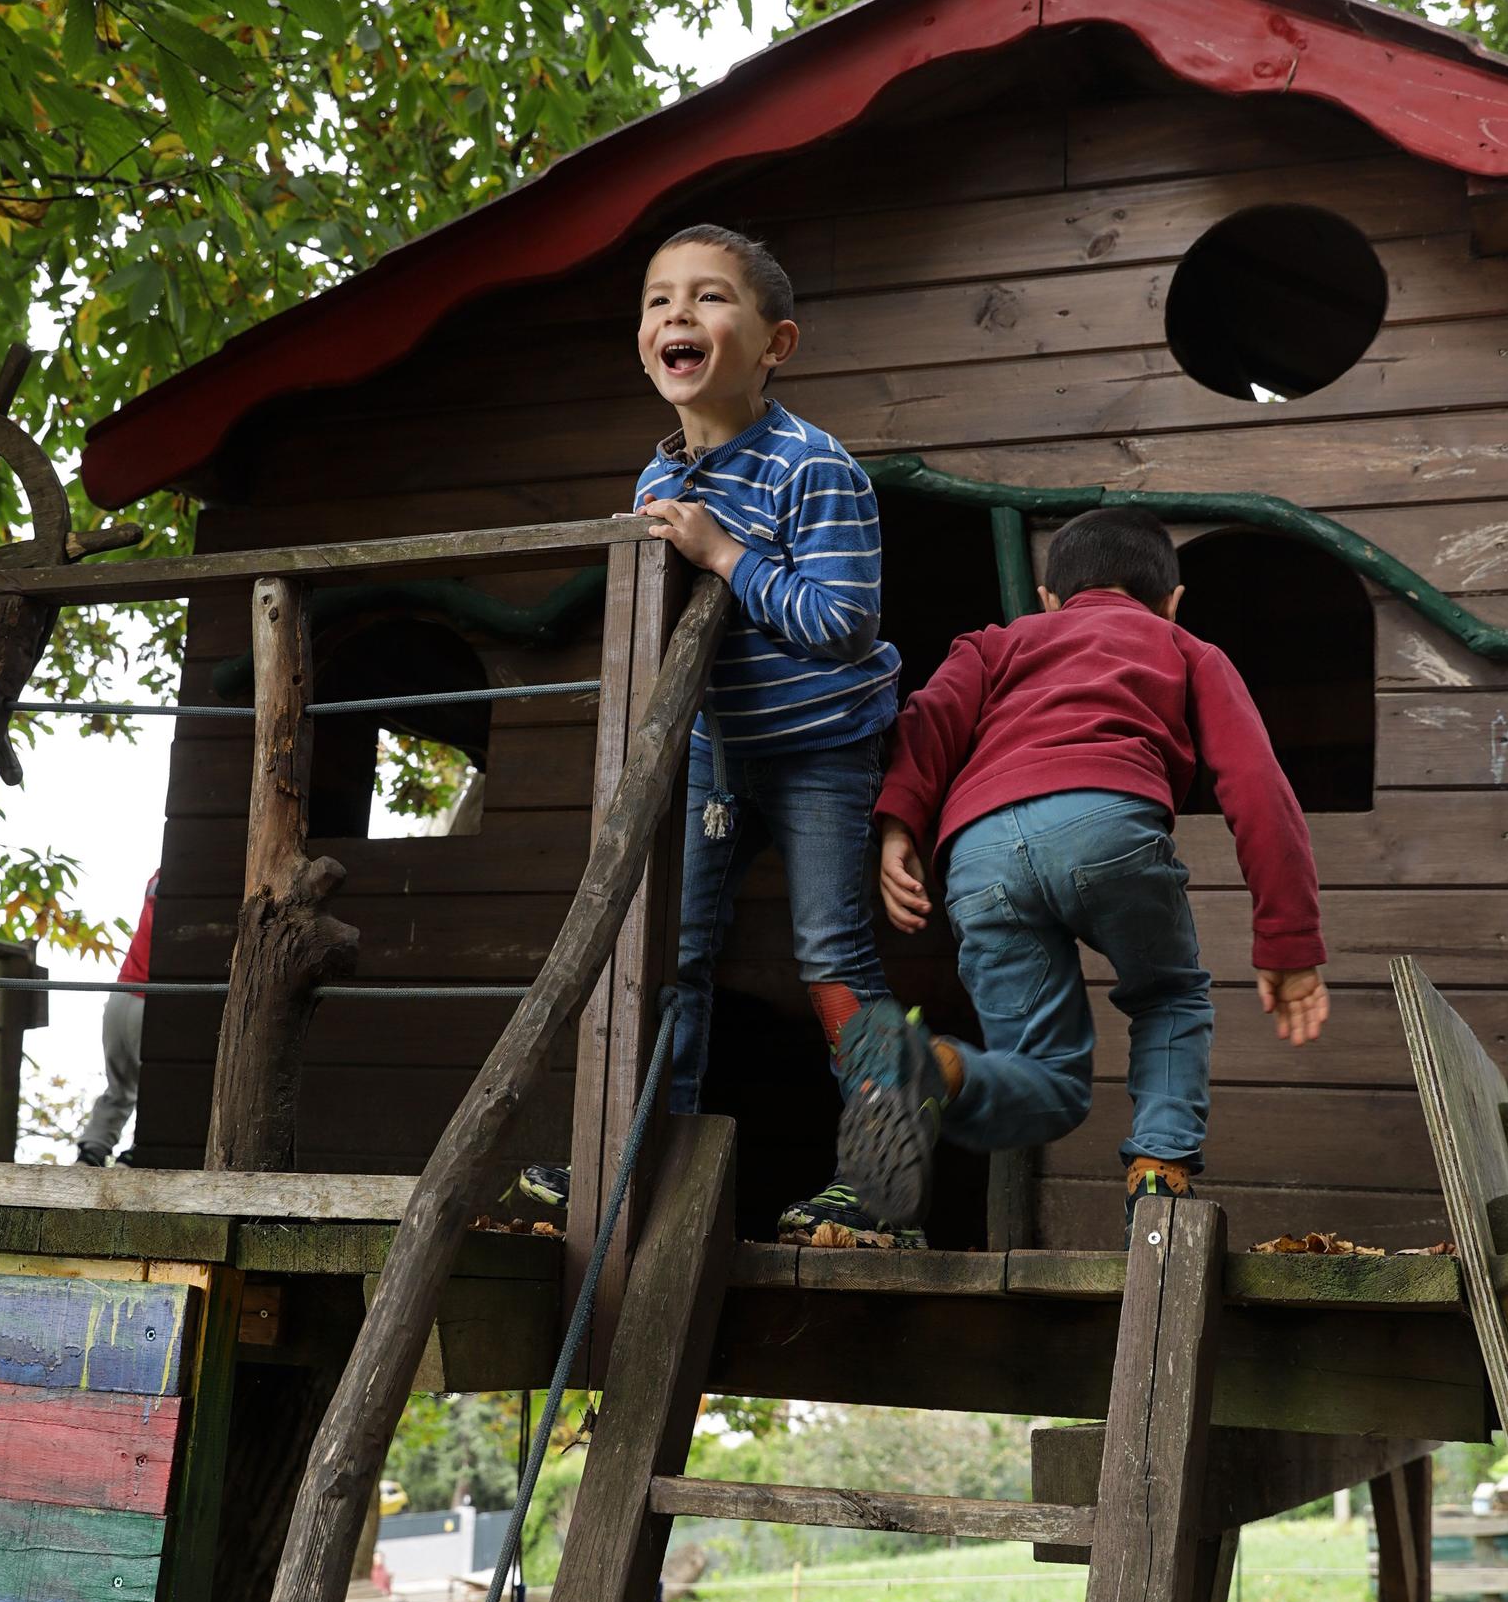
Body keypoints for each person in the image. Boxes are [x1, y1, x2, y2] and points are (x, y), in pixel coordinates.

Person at [518, 223, 913, 1239]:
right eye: (657, 301)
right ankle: (630, 1161)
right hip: (710, 751)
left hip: (821, 743)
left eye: (706, 298)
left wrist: (727, 555)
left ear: (775, 344)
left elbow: (840, 623)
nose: (676, 317)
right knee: (668, 952)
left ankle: (878, 1184)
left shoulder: (810, 469)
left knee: (831, 952)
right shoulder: (653, 484)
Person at [841, 507, 1330, 1238]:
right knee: (1169, 994)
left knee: (1048, 1077)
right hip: (1109, 824)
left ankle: (933, 1066)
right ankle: (1160, 1174)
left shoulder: (995, 643)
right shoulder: (1185, 646)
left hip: (978, 853)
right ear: (1173, 599)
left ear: (1046, 599)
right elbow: (1260, 788)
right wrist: (1288, 948)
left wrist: (898, 825)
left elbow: (929, 716)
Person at [77, 869, 158, 1167]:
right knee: (161, 1080)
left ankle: (93, 1150)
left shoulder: (157, 879)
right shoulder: (184, 884)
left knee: (119, 1086)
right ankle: (143, 1150)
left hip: (120, 996)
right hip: (149, 1000)